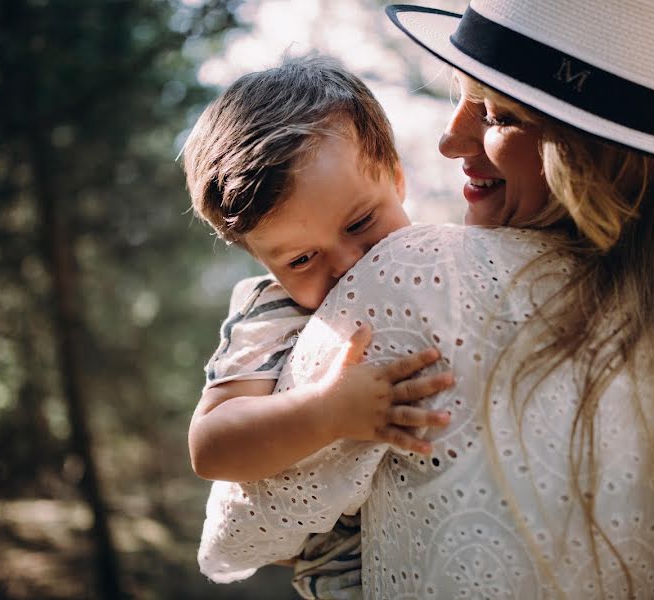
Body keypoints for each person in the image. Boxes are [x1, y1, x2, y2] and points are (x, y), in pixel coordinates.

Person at [198, 1, 654, 599]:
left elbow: (243, 532)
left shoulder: (417, 277)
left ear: (588, 154)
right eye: (462, 99)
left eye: (496, 116)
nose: (447, 138)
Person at [183, 56, 457, 598]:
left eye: (360, 223)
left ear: (397, 179)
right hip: (352, 572)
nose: (347, 265)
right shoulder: (270, 311)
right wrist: (327, 413)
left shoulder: (439, 261)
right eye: (301, 260)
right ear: (262, 262)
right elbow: (211, 446)